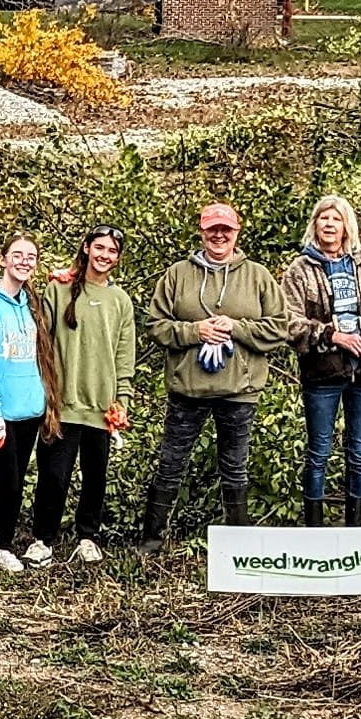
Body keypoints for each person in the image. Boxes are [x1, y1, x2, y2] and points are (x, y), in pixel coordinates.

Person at [142, 203, 289, 550]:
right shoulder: (177, 274)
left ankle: (238, 546)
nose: (219, 235)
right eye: (212, 229)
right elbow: (155, 326)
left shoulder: (257, 275)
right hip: (187, 389)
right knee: (171, 464)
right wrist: (195, 331)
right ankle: (151, 540)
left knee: (235, 467)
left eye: (226, 229)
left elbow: (279, 328)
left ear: (237, 232)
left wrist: (236, 328)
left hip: (240, 390)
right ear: (202, 231)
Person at [281, 195, 361, 528]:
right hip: (323, 372)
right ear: (315, 225)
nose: (330, 225)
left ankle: (355, 527)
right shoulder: (299, 270)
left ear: (346, 226)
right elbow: (288, 321)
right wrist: (332, 336)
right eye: (324, 219)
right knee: (319, 451)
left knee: (359, 450)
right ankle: (315, 529)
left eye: (336, 219)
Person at [28, 225, 135, 567]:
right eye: (99, 247)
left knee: (95, 477)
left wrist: (122, 399)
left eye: (112, 251)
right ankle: (42, 540)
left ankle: (88, 537)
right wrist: (44, 393)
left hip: (102, 407)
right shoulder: (59, 290)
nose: (104, 255)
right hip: (62, 403)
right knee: (54, 475)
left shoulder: (120, 300)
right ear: (87, 248)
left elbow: (124, 355)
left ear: (117, 258)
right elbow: (40, 342)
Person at [0, 234, 61, 572]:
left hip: (28, 411)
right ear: (2, 259)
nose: (24, 261)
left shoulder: (30, 305)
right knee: (6, 482)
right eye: (17, 255)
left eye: (31, 256)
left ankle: (4, 546)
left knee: (18, 482)